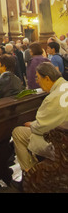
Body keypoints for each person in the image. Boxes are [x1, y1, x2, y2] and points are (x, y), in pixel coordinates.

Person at [11, 62, 68, 191]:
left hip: (61, 148)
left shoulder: (52, 97)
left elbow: (41, 128)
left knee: (18, 132)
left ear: (47, 78)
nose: (37, 82)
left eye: (38, 78)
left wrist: (32, 124)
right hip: (64, 138)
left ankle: (31, 177)